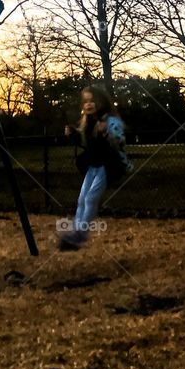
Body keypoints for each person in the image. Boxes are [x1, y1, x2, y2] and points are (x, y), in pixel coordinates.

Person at [60, 85, 127, 250]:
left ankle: (79, 236)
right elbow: (89, 145)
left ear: (100, 102)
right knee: (81, 199)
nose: (88, 105)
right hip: (94, 165)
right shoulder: (88, 122)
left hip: (107, 164)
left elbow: (119, 141)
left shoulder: (109, 120)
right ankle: (76, 232)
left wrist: (108, 133)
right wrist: (74, 135)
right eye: (86, 102)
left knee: (90, 199)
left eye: (92, 101)